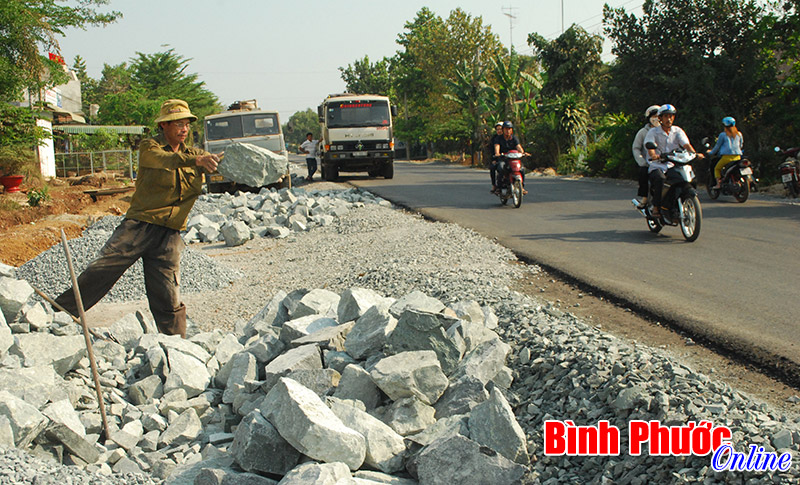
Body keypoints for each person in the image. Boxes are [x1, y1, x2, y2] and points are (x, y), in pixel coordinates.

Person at [54, 99, 220, 338]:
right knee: (103, 270)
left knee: (167, 292)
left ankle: (176, 344)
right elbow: (165, 161)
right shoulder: (150, 147)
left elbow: (215, 162)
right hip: (140, 226)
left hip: (170, 233)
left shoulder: (194, 154)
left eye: (186, 124)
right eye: (177, 124)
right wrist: (197, 161)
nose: (183, 129)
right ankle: (59, 312)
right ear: (164, 125)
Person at [644, 104, 702, 218]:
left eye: (671, 116)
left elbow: (686, 144)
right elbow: (650, 148)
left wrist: (694, 154)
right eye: (665, 116)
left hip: (673, 164)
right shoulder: (653, 132)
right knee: (660, 179)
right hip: (658, 165)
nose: (668, 119)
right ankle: (656, 207)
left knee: (686, 178)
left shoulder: (678, 131)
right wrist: (654, 155)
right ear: (660, 118)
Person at [632, 105, 661, 209]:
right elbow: (636, 148)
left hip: (665, 161)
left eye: (658, 116)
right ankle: (644, 198)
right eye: (654, 116)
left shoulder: (667, 131)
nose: (656, 118)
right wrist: (642, 161)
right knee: (643, 172)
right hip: (649, 162)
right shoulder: (643, 132)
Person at [493, 121, 529, 195]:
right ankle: (499, 188)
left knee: (521, 169)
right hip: (503, 159)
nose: (508, 130)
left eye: (509, 129)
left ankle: (521, 187)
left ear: (512, 130)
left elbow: (519, 147)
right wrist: (497, 153)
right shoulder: (498, 138)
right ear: (503, 130)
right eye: (506, 129)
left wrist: (523, 153)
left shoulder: (514, 138)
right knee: (501, 167)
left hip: (513, 159)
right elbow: (497, 147)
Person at [707, 116, 742, 189]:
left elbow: (717, 146)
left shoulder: (723, 135)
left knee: (716, 169)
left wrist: (711, 152)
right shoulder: (739, 134)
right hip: (738, 157)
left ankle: (718, 184)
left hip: (726, 158)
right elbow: (741, 145)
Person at [489, 121, 503, 193]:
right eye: (497, 129)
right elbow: (492, 150)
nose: (499, 131)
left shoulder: (510, 137)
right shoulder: (495, 138)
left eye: (500, 129)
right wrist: (494, 158)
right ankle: (494, 185)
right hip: (498, 158)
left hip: (509, 158)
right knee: (493, 167)